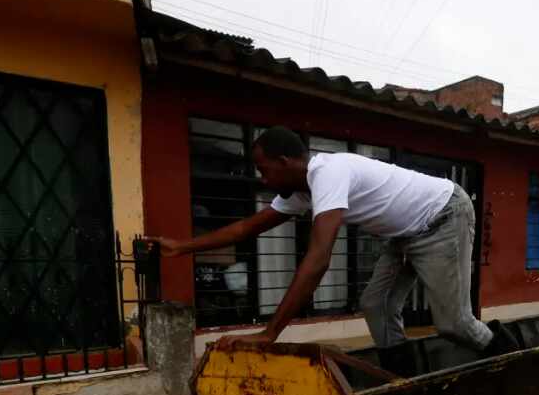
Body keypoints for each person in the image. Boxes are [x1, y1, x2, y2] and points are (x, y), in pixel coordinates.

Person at [150, 126, 516, 360]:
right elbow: (246, 228)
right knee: (375, 304)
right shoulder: (299, 192)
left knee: (453, 323)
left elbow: (319, 259)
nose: (262, 178)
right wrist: (182, 248)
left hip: (444, 216)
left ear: (285, 161)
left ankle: (516, 360)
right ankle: (404, 373)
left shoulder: (328, 172)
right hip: (404, 234)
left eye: (264, 169)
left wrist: (270, 333)